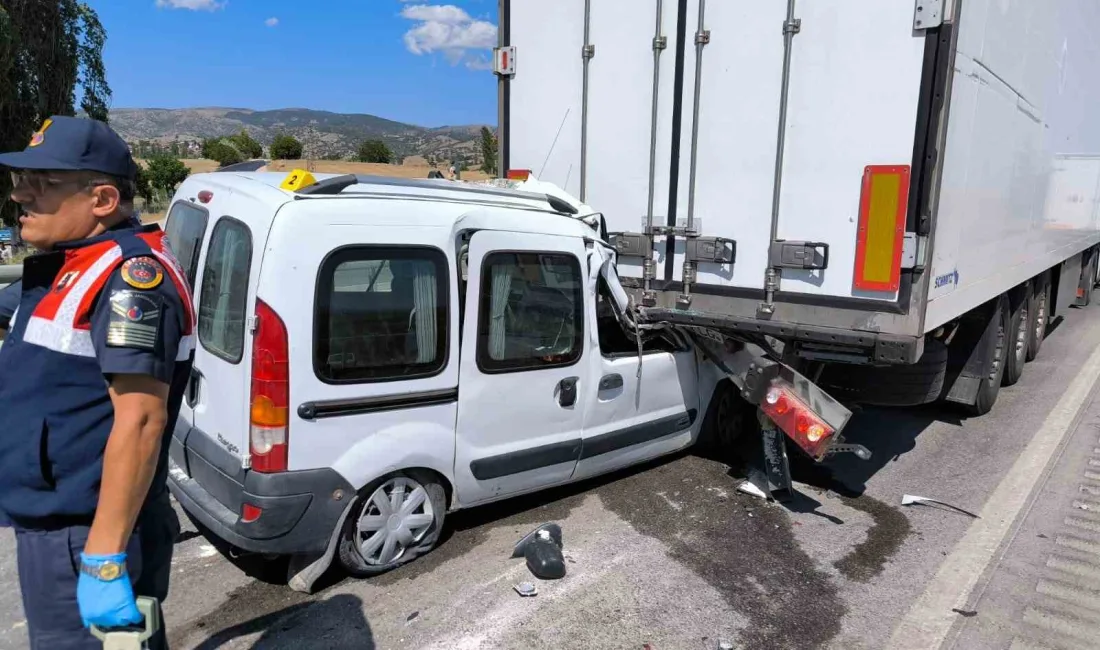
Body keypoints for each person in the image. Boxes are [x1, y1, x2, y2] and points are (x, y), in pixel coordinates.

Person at [0, 115, 195, 649]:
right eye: (19, 181)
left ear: (103, 199)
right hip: (62, 524)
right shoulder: (77, 263)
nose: (20, 195)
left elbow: (141, 420)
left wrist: (104, 559)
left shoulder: (132, 281)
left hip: (85, 534)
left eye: (41, 184)